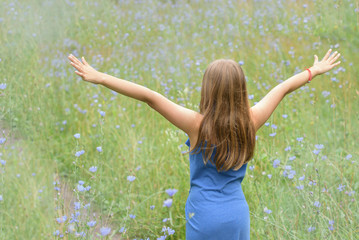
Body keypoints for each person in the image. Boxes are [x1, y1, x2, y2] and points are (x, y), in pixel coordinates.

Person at [68, 49, 341, 239]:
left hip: (204, 214)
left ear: (207, 90)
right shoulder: (252, 120)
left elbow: (150, 97)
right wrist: (313, 70)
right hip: (237, 214)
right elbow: (282, 88)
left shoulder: (197, 125)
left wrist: (101, 77)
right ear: (241, 89)